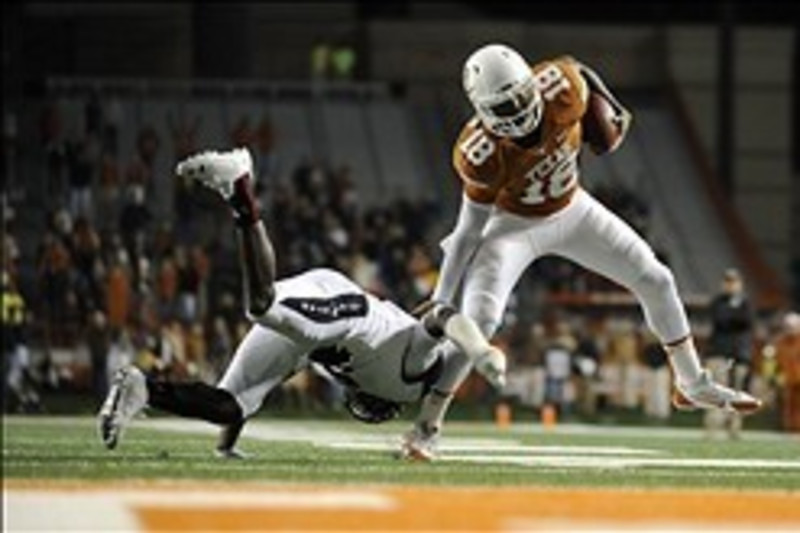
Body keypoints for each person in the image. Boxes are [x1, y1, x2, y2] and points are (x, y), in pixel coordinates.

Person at [400, 43, 762, 459]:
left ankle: (691, 382)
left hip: (572, 208)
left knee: (657, 278)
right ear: (481, 110)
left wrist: (610, 106)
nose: (517, 111)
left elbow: (580, 70)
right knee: (479, 320)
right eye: (503, 108)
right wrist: (442, 300)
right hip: (511, 228)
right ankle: (427, 424)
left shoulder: (561, 86)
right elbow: (467, 232)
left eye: (520, 97)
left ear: (532, 84)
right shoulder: (480, 152)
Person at [97, 147, 506, 457]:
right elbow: (440, 316)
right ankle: (241, 191)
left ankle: (143, 388)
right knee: (261, 306)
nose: (357, 400)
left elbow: (260, 389)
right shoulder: (410, 378)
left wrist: (226, 445)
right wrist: (480, 350)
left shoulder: (353, 372)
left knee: (232, 403)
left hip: (322, 332)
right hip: (347, 311)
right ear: (382, 404)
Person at [704, 268, 756, 439]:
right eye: (727, 281)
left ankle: (734, 428)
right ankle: (713, 428)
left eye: (733, 281)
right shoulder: (718, 301)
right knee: (717, 390)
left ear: (740, 284)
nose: (730, 285)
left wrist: (732, 314)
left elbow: (746, 322)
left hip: (739, 353)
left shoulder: (746, 302)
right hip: (719, 352)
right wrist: (733, 313)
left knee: (737, 391)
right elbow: (720, 320)